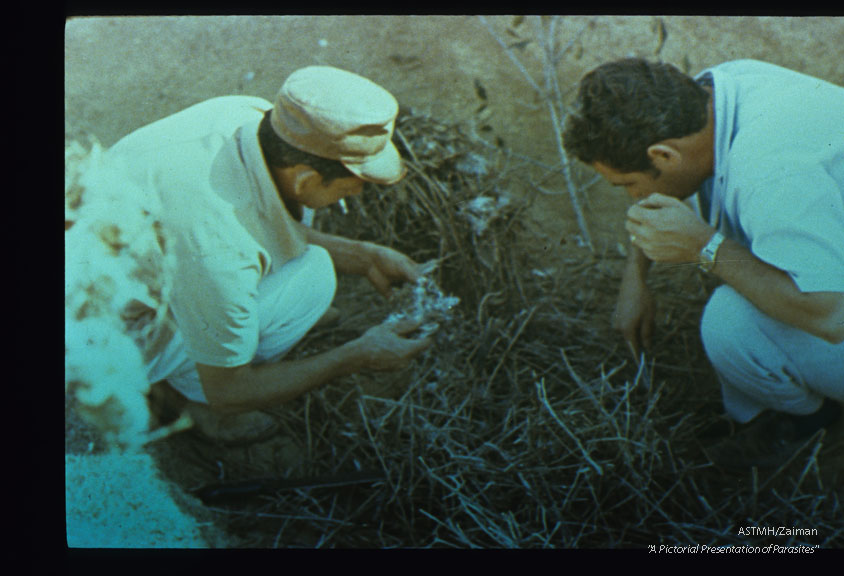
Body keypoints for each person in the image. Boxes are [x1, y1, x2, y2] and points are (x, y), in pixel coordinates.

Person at [105, 66, 432, 443]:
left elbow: (254, 218)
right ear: (307, 178)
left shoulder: (245, 117)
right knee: (315, 278)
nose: (357, 193)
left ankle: (232, 329)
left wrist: (364, 257)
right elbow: (230, 391)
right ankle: (187, 401)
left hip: (105, 267)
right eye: (351, 185)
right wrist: (356, 355)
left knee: (291, 247)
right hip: (98, 341)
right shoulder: (220, 252)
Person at [562, 58, 844, 469]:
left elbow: (832, 314)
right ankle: (797, 420)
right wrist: (635, 276)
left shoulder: (771, 169)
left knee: (728, 320)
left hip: (835, 306)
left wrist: (705, 248)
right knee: (745, 294)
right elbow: (675, 176)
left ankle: (820, 436)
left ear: (663, 155)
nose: (630, 197)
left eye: (627, 185)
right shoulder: (712, 91)